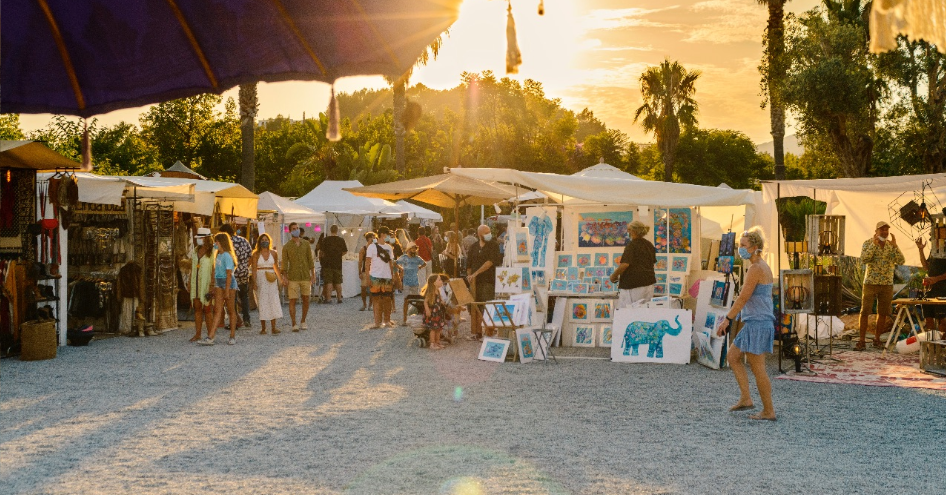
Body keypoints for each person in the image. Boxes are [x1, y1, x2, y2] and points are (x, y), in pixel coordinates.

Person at [716, 227, 777, 421]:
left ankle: (768, 411)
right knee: (733, 356)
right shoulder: (759, 266)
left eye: (743, 246)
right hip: (755, 321)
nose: (740, 249)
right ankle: (746, 398)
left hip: (758, 323)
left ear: (755, 247)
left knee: (758, 367)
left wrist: (727, 319)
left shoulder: (756, 268)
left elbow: (742, 298)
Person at [858, 221, 905, 351]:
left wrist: (895, 247)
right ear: (876, 231)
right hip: (870, 282)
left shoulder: (891, 246)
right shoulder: (868, 243)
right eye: (882, 230)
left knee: (883, 312)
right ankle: (861, 340)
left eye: (886, 230)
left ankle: (877, 339)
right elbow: (864, 259)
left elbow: (901, 260)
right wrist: (874, 245)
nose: (885, 232)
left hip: (886, 284)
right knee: (865, 311)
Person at [200, 233, 239, 346]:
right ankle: (211, 336)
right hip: (219, 283)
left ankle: (232, 336)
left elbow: (229, 274)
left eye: (216, 241)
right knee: (217, 310)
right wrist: (213, 286)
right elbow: (216, 272)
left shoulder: (227, 256)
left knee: (231, 310)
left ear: (222, 242)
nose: (215, 244)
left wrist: (227, 290)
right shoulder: (218, 255)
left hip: (229, 284)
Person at [466, 225, 502, 340]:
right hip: (475, 282)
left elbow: (490, 262)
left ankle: (489, 331)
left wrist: (475, 274)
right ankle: (477, 332)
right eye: (486, 232)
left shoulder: (493, 245)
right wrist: (470, 276)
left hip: (488, 280)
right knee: (474, 307)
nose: (489, 234)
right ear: (479, 234)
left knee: (488, 306)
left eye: (489, 231)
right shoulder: (474, 247)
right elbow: (469, 264)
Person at [610, 220, 657, 309]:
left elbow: (625, 264)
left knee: (629, 312)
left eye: (629, 230)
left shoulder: (632, 246)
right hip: (649, 283)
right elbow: (652, 262)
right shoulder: (649, 245)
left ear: (633, 231)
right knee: (644, 312)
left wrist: (614, 276)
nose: (628, 232)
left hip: (633, 284)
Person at [281, 222, 315, 332]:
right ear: (290, 231)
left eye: (297, 228)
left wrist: (313, 274)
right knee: (292, 300)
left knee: (306, 299)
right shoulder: (286, 247)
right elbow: (284, 264)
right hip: (293, 276)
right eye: (294, 229)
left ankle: (303, 320)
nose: (296, 230)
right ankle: (294, 323)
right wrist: (284, 277)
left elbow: (310, 260)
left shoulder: (306, 244)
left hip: (305, 275)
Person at [252, 233, 284, 335]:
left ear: (269, 241)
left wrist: (281, 279)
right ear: (259, 242)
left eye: (266, 239)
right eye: (262, 240)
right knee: (262, 301)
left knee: (273, 301)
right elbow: (253, 270)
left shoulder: (273, 253)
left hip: (271, 279)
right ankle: (263, 328)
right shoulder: (256, 254)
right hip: (261, 278)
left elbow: (276, 267)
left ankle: (274, 327)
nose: (264, 241)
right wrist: (254, 282)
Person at [366, 226, 397, 328]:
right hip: (375, 276)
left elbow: (391, 263)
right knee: (376, 299)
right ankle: (377, 322)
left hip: (387, 276)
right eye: (388, 234)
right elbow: (367, 263)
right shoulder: (372, 247)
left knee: (387, 299)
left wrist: (393, 276)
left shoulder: (389, 247)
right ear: (383, 235)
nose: (389, 237)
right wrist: (367, 277)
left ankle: (387, 320)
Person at [220, 224, 250, 328]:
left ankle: (236, 321)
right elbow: (250, 255)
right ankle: (247, 319)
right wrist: (244, 266)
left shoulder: (226, 243)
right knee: (244, 296)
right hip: (244, 272)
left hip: (232, 274)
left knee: (233, 299)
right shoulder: (244, 240)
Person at [916, 237, 946, 336]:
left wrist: (936, 279)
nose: (932, 240)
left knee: (942, 320)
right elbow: (926, 267)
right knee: (928, 318)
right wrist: (920, 250)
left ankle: (942, 346)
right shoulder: (933, 251)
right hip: (931, 290)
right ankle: (932, 345)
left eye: (934, 237)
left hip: (943, 290)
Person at [189, 228, 214, 342]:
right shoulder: (195, 250)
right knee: (197, 308)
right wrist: (189, 281)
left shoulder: (213, 251)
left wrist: (212, 285)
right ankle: (198, 333)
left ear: (206, 238)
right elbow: (192, 266)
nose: (199, 239)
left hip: (206, 283)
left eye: (201, 237)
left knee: (207, 309)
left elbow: (214, 269)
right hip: (196, 283)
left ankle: (210, 334)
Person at [397, 242, 427, 325]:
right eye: (413, 248)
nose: (414, 250)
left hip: (414, 281)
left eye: (415, 248)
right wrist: (401, 269)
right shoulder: (404, 258)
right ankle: (404, 319)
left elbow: (424, 263)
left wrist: (419, 267)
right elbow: (395, 263)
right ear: (409, 249)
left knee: (416, 301)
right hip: (406, 281)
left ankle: (417, 318)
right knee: (406, 300)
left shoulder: (417, 258)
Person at [320, 225, 349, 303]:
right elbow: (345, 251)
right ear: (337, 230)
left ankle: (328, 299)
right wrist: (339, 255)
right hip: (338, 263)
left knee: (329, 281)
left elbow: (321, 252)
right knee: (338, 282)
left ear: (330, 230)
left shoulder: (326, 240)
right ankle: (339, 298)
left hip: (327, 263)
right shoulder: (341, 240)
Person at [423, 274, 449, 350]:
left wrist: (442, 302)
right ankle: (432, 343)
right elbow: (425, 302)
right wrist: (427, 310)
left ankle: (437, 342)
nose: (441, 281)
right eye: (439, 280)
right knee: (433, 329)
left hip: (438, 313)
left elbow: (439, 299)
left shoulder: (438, 291)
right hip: (432, 313)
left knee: (438, 328)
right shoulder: (431, 292)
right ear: (434, 283)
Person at [358, 232, 376, 311]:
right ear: (369, 238)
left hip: (374, 271)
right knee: (363, 288)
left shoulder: (376, 248)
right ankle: (364, 304)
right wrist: (359, 272)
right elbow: (360, 261)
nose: (374, 239)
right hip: (365, 271)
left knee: (372, 288)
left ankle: (370, 305)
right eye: (373, 237)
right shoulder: (363, 249)